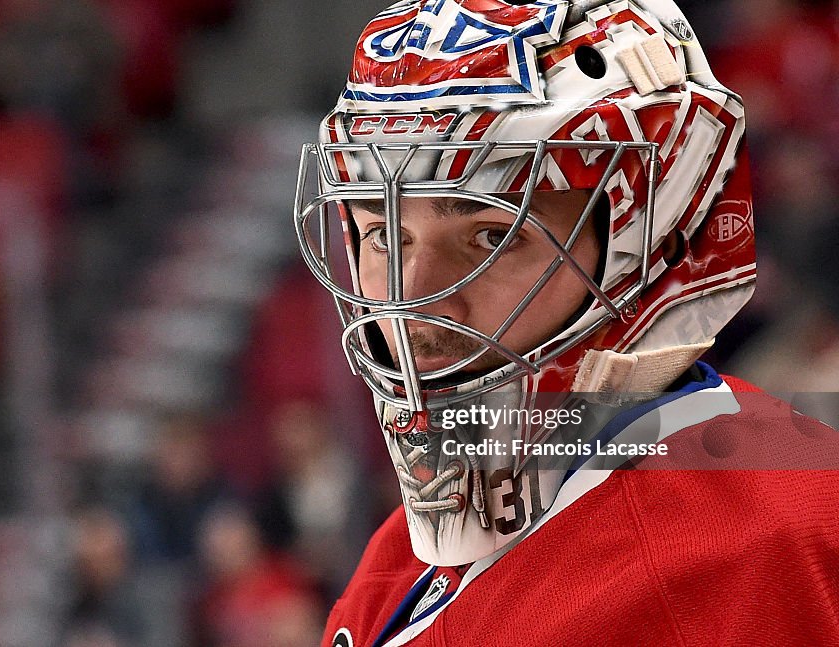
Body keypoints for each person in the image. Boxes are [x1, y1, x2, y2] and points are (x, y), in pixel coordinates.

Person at [291, 1, 839, 645]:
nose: (416, 301)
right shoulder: (405, 550)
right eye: (387, 235)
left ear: (647, 239)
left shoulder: (750, 551)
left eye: (491, 235)